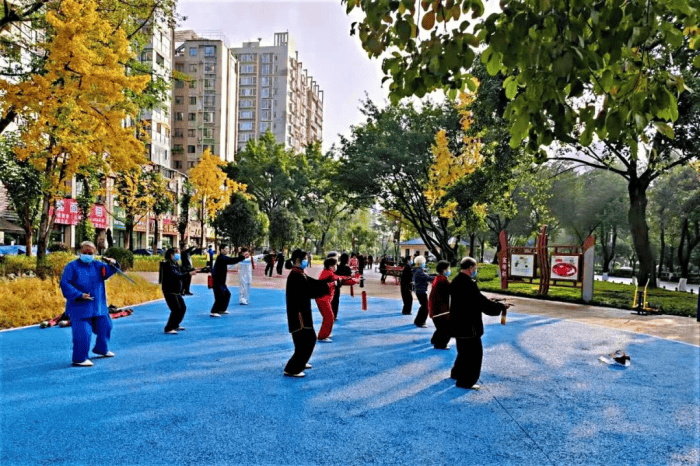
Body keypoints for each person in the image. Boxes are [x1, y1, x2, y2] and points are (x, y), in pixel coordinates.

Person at [449, 257, 509, 390]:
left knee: (463, 352)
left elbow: (476, 298)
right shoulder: (469, 283)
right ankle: (465, 382)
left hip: (458, 324)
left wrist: (493, 302)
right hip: (469, 326)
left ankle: (456, 374)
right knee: (474, 355)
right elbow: (480, 302)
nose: (475, 270)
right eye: (475, 268)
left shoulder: (456, 280)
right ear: (471, 268)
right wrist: (499, 307)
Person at [59, 241, 120, 367]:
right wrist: (78, 294)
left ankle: (101, 349)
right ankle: (79, 359)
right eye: (85, 252)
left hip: (98, 306)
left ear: (95, 252)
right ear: (79, 252)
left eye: (90, 252)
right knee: (83, 333)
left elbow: (110, 271)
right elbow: (64, 284)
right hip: (79, 307)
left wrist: (113, 263)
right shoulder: (72, 267)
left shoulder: (98, 265)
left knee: (106, 326)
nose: (87, 254)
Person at [283, 249, 329, 377]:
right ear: (298, 260)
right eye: (305, 259)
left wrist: (325, 283)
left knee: (302, 341)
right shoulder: (296, 276)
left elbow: (311, 282)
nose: (306, 261)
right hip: (299, 315)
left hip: (301, 313)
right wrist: (324, 289)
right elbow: (309, 291)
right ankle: (292, 368)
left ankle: (301, 361)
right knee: (308, 339)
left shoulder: (299, 273)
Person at [315, 257, 357, 342]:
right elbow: (339, 278)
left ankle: (325, 333)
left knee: (328, 317)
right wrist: (353, 279)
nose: (336, 267)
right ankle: (322, 336)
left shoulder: (329, 273)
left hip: (324, 298)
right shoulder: (327, 274)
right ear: (330, 266)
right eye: (334, 265)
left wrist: (354, 280)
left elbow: (341, 280)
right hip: (322, 299)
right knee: (329, 317)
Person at [161, 248, 197, 334]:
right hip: (169, 291)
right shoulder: (168, 264)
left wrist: (191, 270)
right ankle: (169, 328)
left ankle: (175, 324)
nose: (179, 255)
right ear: (171, 255)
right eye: (177, 253)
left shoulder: (175, 264)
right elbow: (176, 275)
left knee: (182, 308)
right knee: (176, 309)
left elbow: (182, 270)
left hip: (176, 291)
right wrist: (189, 274)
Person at [210, 245, 246, 317]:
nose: (228, 250)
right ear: (222, 250)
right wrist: (241, 257)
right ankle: (214, 311)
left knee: (227, 294)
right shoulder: (221, 257)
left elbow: (231, 259)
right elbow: (231, 260)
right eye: (226, 248)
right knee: (220, 296)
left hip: (222, 282)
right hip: (217, 281)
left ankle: (222, 309)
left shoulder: (223, 257)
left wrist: (240, 256)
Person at [429, 260, 452, 349]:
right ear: (443, 270)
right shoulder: (442, 280)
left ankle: (435, 340)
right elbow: (452, 289)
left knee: (441, 326)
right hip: (440, 308)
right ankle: (440, 344)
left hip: (435, 307)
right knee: (446, 328)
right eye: (448, 268)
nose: (449, 270)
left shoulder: (437, 278)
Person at [412, 256, 433, 328]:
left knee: (423, 306)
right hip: (421, 291)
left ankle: (417, 320)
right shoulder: (420, 272)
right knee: (425, 307)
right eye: (423, 263)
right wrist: (437, 276)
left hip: (419, 290)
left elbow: (427, 276)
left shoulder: (417, 270)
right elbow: (428, 278)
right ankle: (421, 322)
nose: (424, 264)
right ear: (420, 264)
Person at [331, 253, 352, 320]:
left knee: (332, 301)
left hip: (332, 285)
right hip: (337, 286)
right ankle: (334, 316)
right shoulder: (347, 268)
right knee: (336, 301)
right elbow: (349, 277)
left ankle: (331, 315)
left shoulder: (337, 267)